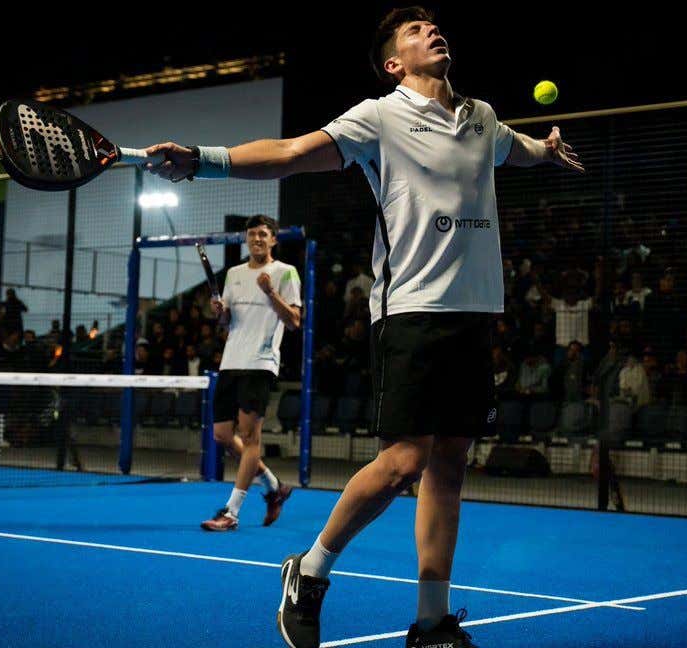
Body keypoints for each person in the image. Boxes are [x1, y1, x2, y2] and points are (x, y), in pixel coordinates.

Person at [143, 7, 582, 646]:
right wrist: (204, 161)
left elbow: (522, 150)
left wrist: (547, 149)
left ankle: (431, 622)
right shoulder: (380, 116)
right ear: (394, 63)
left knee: (449, 467)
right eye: (415, 31)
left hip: (475, 315)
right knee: (404, 460)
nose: (434, 31)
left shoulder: (482, 118)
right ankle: (310, 571)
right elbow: (291, 153)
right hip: (411, 311)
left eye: (435, 25)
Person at [198, 215, 301, 533]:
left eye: (263, 234)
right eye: (252, 234)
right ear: (246, 239)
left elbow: (294, 320)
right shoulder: (234, 274)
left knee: (249, 437)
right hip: (231, 361)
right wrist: (221, 313)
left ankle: (231, 512)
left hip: (261, 362)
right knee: (222, 436)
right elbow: (227, 322)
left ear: (273, 241)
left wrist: (271, 293)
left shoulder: (286, 273)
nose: (257, 238)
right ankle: (273, 487)